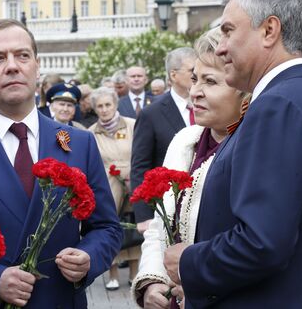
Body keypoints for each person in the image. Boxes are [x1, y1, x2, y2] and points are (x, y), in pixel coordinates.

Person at [163, 0, 302, 308]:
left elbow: (262, 242)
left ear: (270, 30)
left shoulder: (278, 104)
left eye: (228, 30)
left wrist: (188, 262)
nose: (221, 46)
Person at [0, 19, 122, 308]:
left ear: (37, 65)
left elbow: (107, 227)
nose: (12, 66)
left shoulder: (79, 144)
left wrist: (89, 258)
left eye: (22, 55)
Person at [131, 27, 246, 308]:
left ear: (245, 92)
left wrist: (194, 281)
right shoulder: (186, 141)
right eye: (194, 79)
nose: (195, 92)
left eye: (211, 82)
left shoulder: (250, 147)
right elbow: (162, 224)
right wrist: (152, 281)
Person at [131, 48, 197, 232]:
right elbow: (140, 166)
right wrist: (143, 215)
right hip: (168, 205)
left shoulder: (206, 105)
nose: (197, 74)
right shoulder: (151, 113)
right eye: (192, 70)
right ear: (174, 75)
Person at [88, 86, 140, 291]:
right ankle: (113, 273)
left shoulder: (132, 125)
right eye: (99, 106)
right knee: (111, 226)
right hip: (108, 182)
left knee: (134, 226)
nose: (104, 109)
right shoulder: (91, 132)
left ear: (115, 105)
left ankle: (135, 273)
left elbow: (141, 152)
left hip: (132, 179)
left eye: (108, 104)